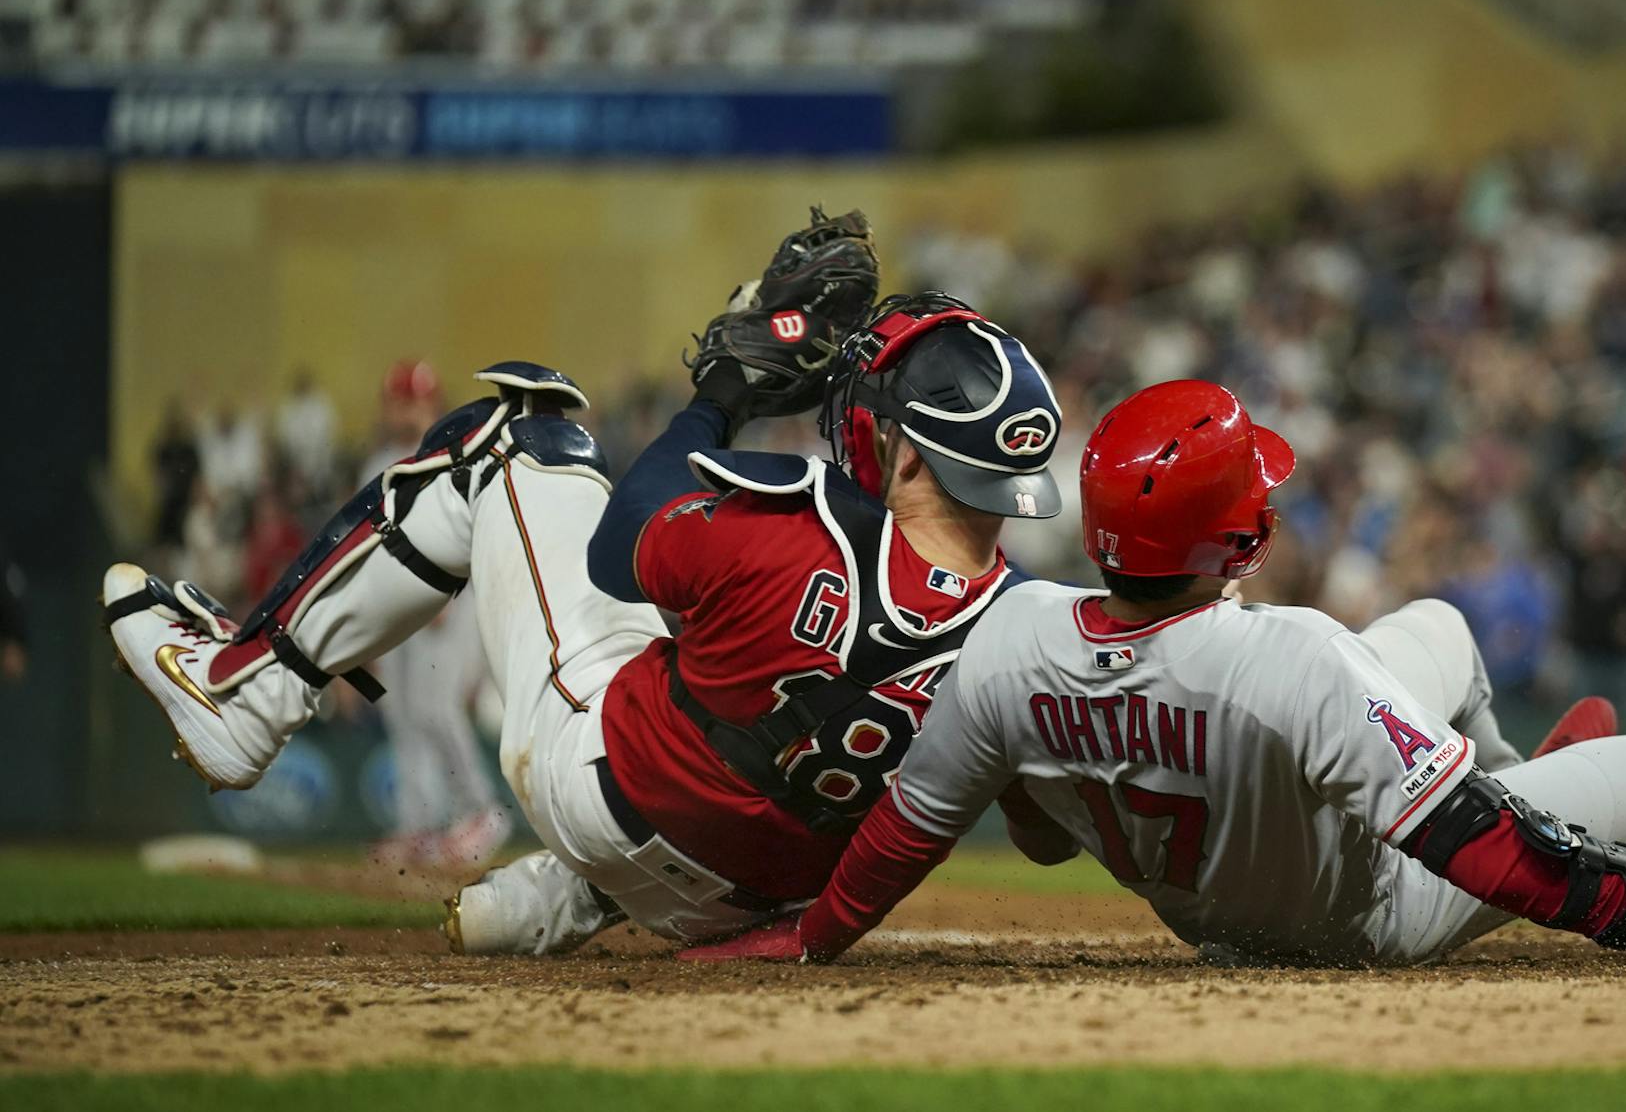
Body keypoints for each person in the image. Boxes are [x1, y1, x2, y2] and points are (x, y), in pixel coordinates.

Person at [686, 380, 1626, 969]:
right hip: (1366, 909)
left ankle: (1512, 759)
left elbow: (895, 846)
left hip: (1212, 874)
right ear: (1245, 532)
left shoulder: (1012, 634)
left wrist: (806, 938)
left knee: (1442, 625)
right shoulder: (1296, 661)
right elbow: (1513, 872)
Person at [102, 211, 1064, 954]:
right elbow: (1046, 842)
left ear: (905, 458)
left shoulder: (807, 518)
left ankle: (248, 692)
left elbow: (617, 548)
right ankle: (560, 902)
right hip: (759, 900)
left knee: (515, 438)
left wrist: (719, 395)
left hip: (607, 796)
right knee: (740, 708)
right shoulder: (1029, 626)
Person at [355, 360, 511, 871]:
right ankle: (418, 826)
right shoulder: (376, 461)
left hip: (446, 600)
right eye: (400, 400)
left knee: (437, 709)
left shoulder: (451, 456)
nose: (408, 409)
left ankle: (483, 812)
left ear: (433, 404)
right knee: (401, 716)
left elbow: (467, 533)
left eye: (417, 400)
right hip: (392, 606)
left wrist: (447, 592)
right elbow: (366, 546)